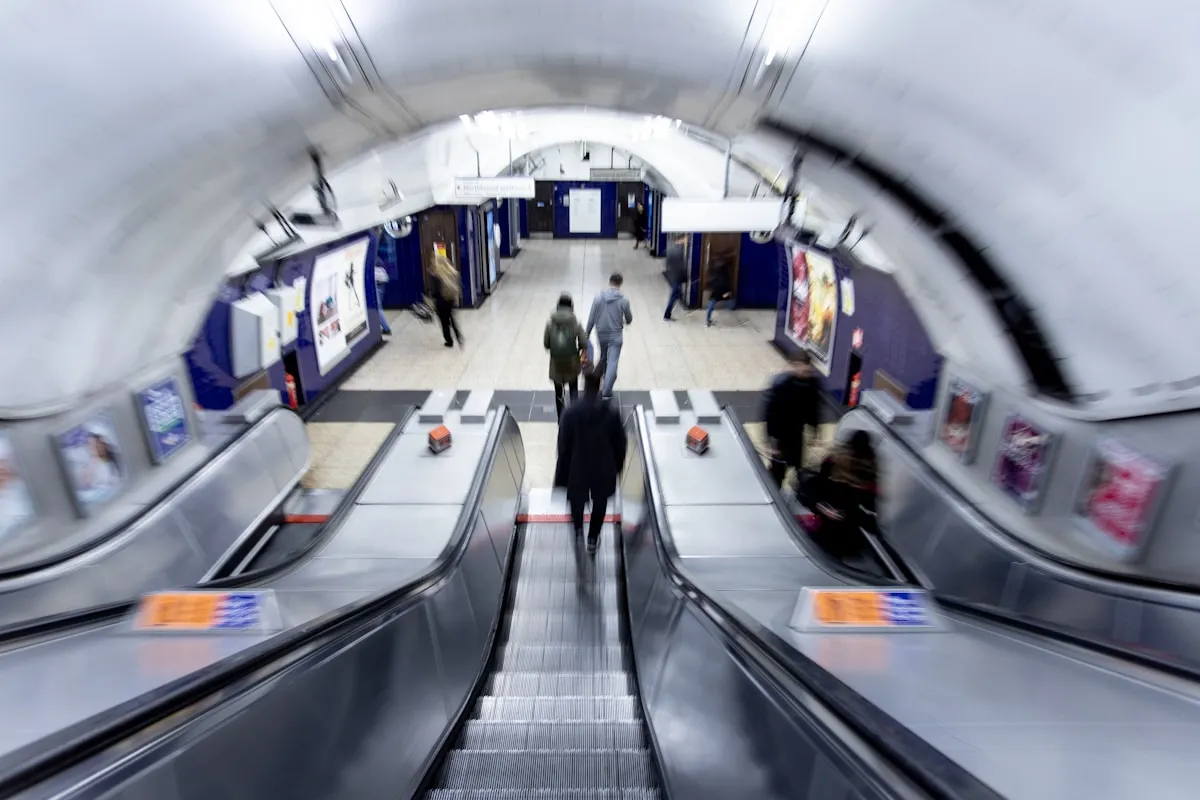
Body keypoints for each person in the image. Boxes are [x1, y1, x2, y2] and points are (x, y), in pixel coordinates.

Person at [554, 368, 628, 555]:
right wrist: (617, 467)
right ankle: (593, 538)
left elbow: (563, 447)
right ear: (599, 387)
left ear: (583, 386)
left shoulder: (570, 413)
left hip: (577, 469)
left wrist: (562, 473)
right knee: (600, 503)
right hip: (602, 469)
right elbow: (621, 444)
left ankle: (578, 531)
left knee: (577, 502)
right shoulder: (610, 413)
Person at [807, 430, 878, 561]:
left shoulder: (836, 457)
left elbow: (820, 479)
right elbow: (870, 494)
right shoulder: (869, 463)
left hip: (833, 502)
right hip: (849, 511)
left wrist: (821, 505)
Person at [763, 350, 822, 497]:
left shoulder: (812, 384)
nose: (805, 370)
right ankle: (774, 496)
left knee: (798, 467)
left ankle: (799, 495)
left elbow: (814, 408)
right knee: (778, 471)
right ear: (794, 365)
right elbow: (769, 414)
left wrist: (815, 431)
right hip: (780, 435)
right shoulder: (781, 385)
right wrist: (769, 443)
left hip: (797, 432)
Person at [585, 272, 633, 400]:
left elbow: (591, 318)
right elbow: (629, 318)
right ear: (620, 283)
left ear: (609, 282)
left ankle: (601, 380)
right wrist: (624, 321)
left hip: (601, 333)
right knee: (613, 362)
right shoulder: (624, 300)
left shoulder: (598, 298)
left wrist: (586, 335)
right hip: (616, 335)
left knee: (604, 357)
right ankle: (606, 391)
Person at [543, 293, 588, 419]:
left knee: (558, 393)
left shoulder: (550, 324)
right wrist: (577, 351)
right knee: (573, 390)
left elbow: (546, 344)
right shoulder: (575, 324)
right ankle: (574, 418)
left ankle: (561, 419)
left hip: (556, 364)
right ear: (571, 307)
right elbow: (584, 343)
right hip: (572, 362)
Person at [428, 254, 463, 348]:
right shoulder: (453, 273)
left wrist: (430, 297)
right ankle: (458, 336)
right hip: (450, 300)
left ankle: (449, 340)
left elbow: (434, 292)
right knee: (452, 318)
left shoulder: (436, 276)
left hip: (440, 302)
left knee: (444, 322)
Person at [662, 234, 688, 321]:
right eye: (685, 239)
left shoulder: (670, 249)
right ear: (681, 239)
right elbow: (680, 266)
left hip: (671, 275)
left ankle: (669, 313)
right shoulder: (679, 251)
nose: (686, 241)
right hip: (677, 277)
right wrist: (685, 277)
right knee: (674, 296)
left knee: (676, 294)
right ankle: (667, 315)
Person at [705, 258, 735, 327]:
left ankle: (708, 320)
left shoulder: (714, 272)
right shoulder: (725, 273)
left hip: (716, 291)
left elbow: (712, 282)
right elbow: (726, 282)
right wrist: (728, 291)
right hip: (722, 291)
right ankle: (730, 311)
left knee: (711, 305)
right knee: (730, 302)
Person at [373, 257, 392, 335]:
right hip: (381, 285)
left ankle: (386, 329)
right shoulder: (377, 259)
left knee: (377, 308)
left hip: (377, 285)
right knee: (378, 307)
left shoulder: (373, 260)